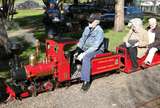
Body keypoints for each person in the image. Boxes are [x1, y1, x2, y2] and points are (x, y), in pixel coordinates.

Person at [74, 13, 105, 91]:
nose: (89, 23)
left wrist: (84, 53)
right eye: (89, 22)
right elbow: (82, 39)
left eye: (91, 22)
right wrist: (78, 48)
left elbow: (95, 46)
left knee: (86, 58)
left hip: (97, 50)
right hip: (86, 48)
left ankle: (86, 81)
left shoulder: (100, 31)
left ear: (97, 22)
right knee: (73, 54)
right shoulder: (87, 28)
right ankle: (76, 70)